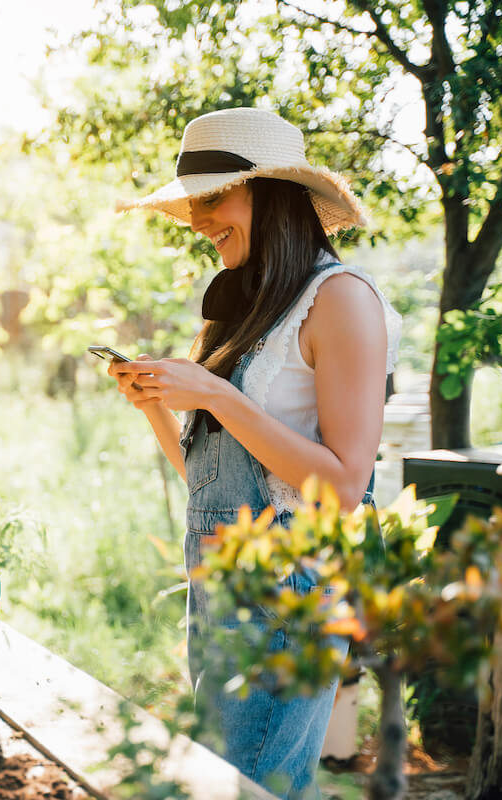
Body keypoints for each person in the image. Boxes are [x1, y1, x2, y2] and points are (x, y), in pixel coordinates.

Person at [108, 107, 401, 798]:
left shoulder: (341, 299)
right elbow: (210, 486)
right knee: (227, 784)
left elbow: (346, 486)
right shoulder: (249, 308)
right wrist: (155, 402)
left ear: (270, 192)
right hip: (220, 581)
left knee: (245, 787)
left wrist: (215, 394)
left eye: (214, 197)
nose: (200, 221)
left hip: (286, 589)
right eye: (193, 204)